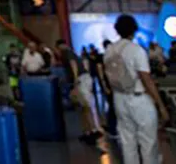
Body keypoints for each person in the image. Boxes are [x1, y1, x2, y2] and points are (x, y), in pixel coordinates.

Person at [104, 15, 168, 164]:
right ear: (134, 30)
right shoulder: (136, 50)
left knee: (127, 142)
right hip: (139, 99)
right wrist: (160, 105)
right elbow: (146, 79)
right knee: (148, 142)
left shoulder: (109, 50)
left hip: (119, 98)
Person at [57, 39, 100, 144]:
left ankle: (93, 131)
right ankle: (88, 131)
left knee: (85, 106)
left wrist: (75, 80)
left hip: (81, 80)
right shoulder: (70, 52)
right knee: (82, 107)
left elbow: (73, 64)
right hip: (82, 79)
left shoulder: (66, 52)